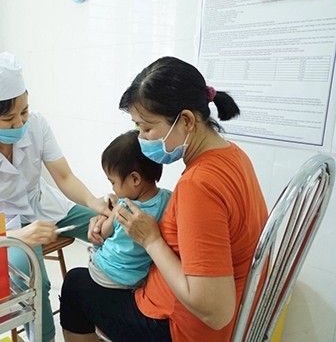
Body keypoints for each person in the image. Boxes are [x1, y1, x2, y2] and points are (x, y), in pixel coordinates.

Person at [59, 56, 268, 342]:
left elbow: (215, 311)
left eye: (146, 128)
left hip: (181, 328)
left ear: (186, 120)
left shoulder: (198, 185)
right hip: (233, 307)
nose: (142, 139)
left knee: (74, 284)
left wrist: (152, 241)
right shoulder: (233, 155)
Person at [0, 52, 110, 342]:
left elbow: (64, 177)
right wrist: (19, 236)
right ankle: (43, 337)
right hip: (2, 225)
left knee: (112, 230)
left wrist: (95, 202)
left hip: (45, 205)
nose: (21, 123)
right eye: (9, 118)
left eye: (24, 111)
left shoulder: (37, 124)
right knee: (34, 281)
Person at [88, 130, 171, 289]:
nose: (112, 187)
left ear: (135, 179)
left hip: (106, 274)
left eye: (113, 182)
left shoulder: (124, 207)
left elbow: (102, 234)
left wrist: (109, 216)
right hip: (138, 279)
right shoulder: (168, 199)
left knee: (95, 249)